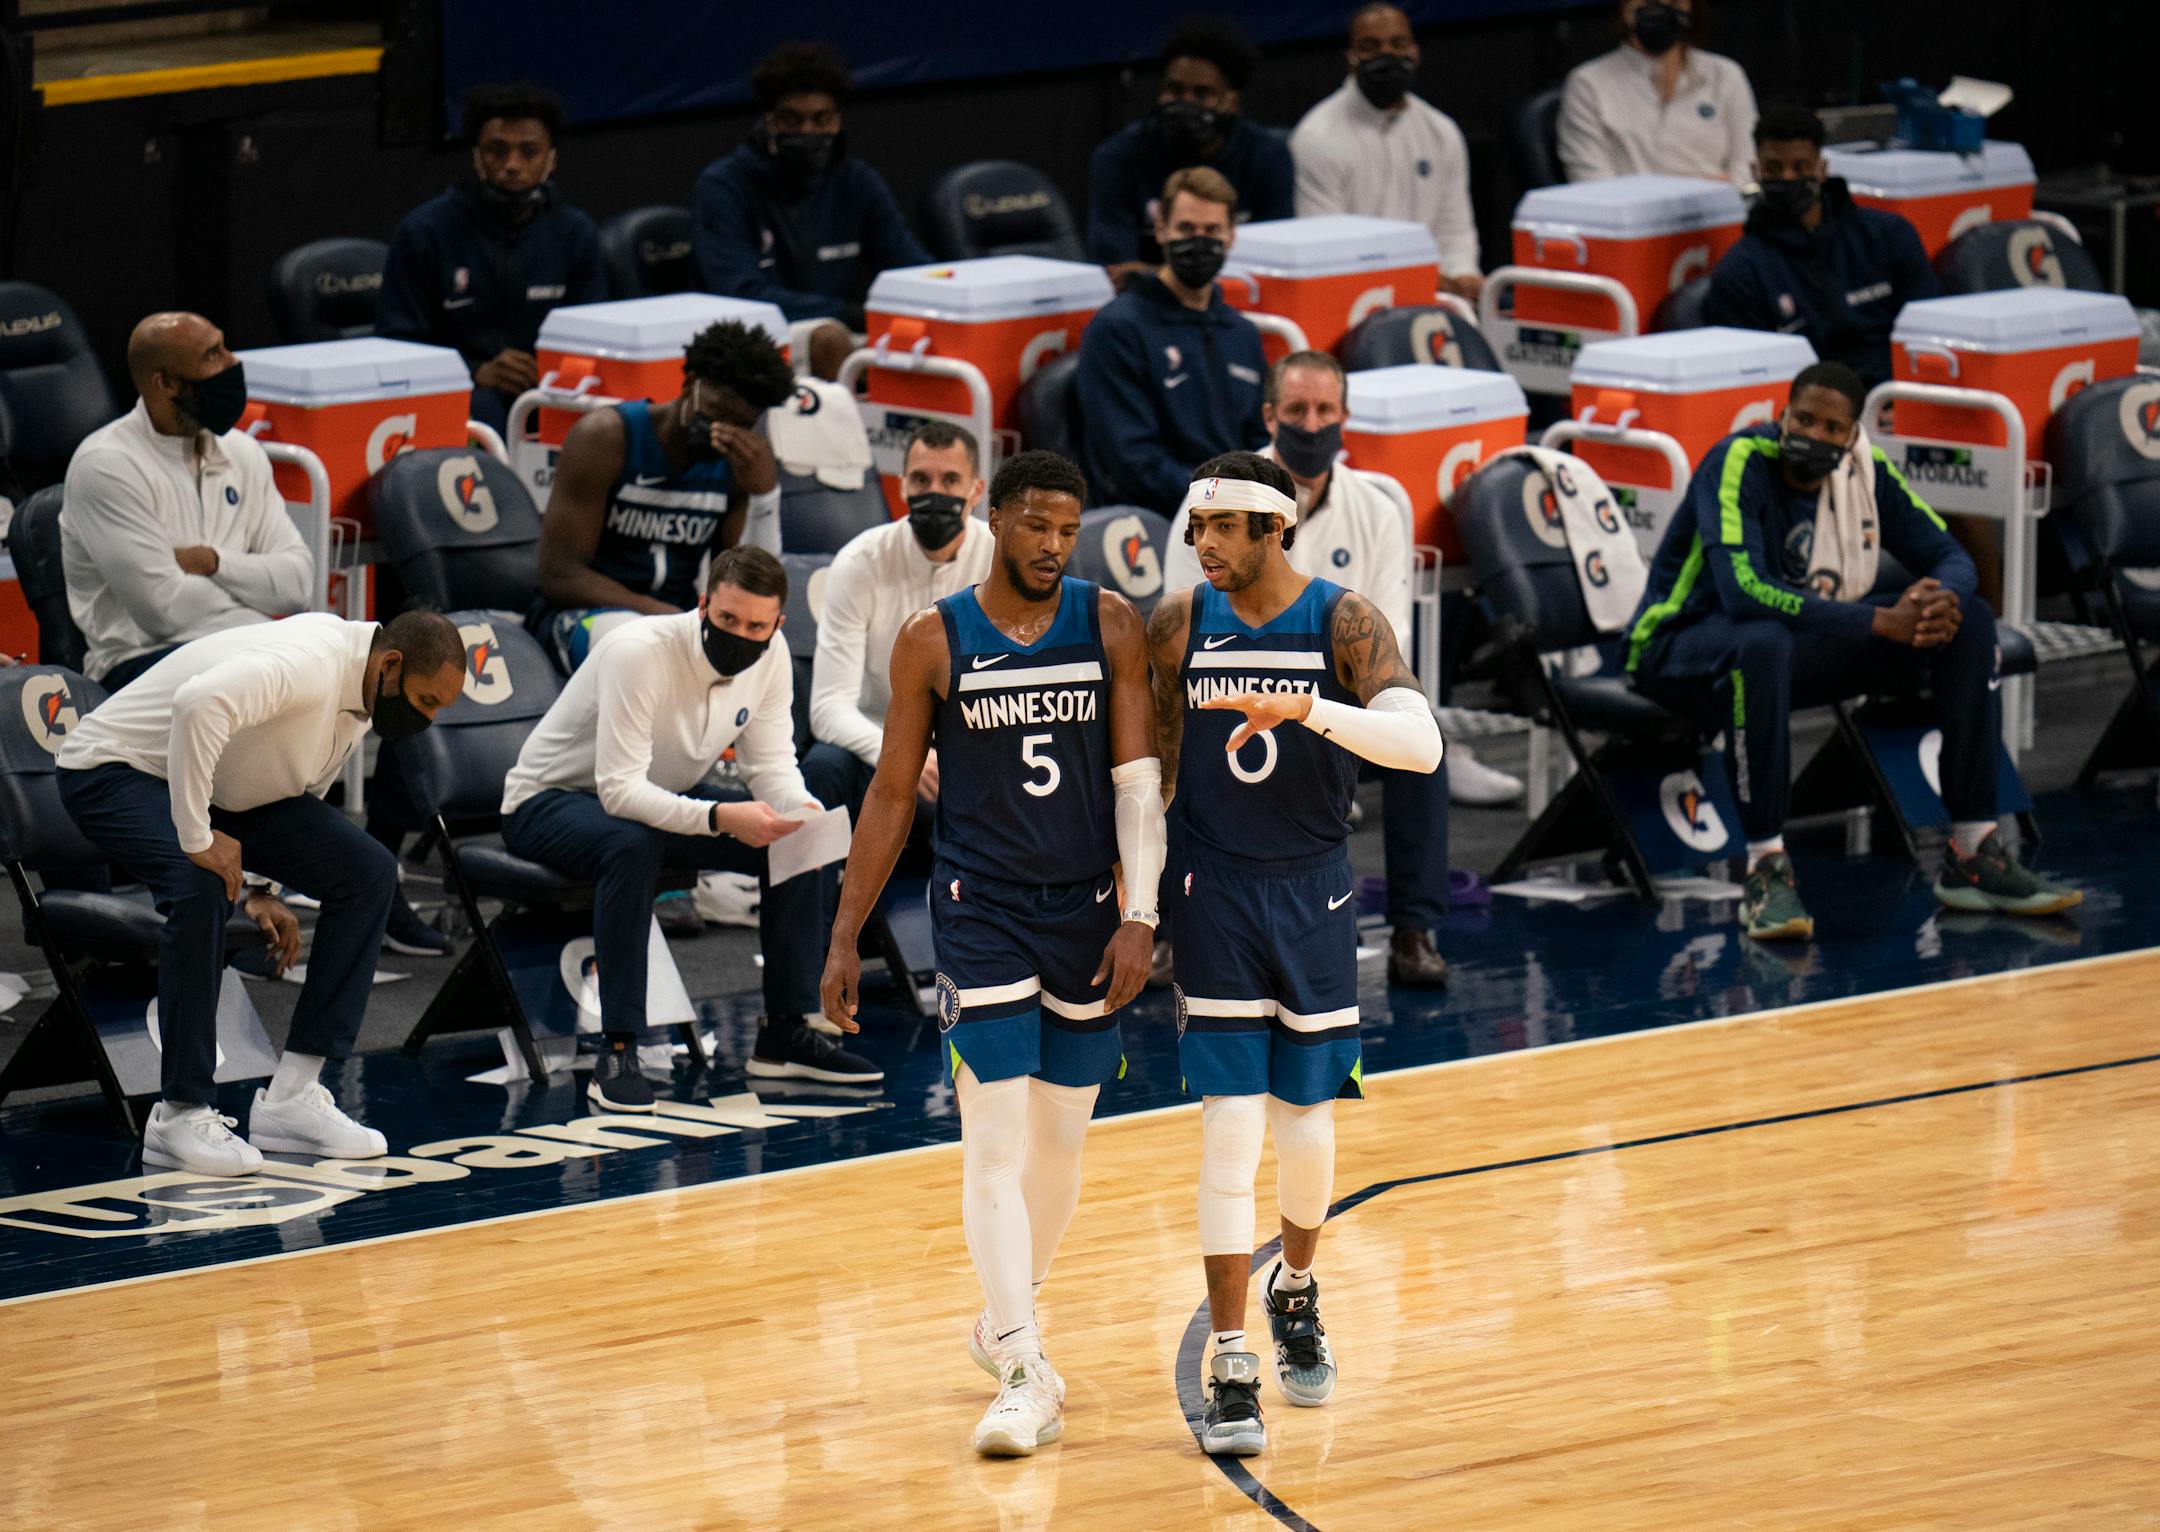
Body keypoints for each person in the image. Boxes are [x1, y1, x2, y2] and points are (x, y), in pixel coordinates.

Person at [820, 450, 1162, 1458]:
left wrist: (1142, 912)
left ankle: (1007, 1314)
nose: (1053, 545)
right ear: (994, 519)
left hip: (1088, 908)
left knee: (1062, 1139)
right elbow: (891, 793)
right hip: (980, 911)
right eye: (1036, 525)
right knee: (994, 1140)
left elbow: (1138, 783)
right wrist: (843, 932)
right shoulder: (933, 638)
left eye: (1069, 529)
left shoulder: (1110, 623)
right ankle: (1022, 1364)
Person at [1147, 451, 1441, 1456]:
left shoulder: (1342, 620)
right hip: (1214, 892)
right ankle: (1232, 1362)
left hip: (1314, 890)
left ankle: (1297, 1287)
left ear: (1275, 527)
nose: (1202, 543)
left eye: (1222, 526)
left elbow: (1421, 747)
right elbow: (1152, 774)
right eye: (1196, 526)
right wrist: (1139, 903)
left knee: (1307, 1126)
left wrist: (1307, 707)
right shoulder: (1179, 624)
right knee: (1230, 1128)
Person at [1623, 361, 2081, 941]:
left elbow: (1950, 555)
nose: (1814, 435)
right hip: (1677, 646)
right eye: (1803, 420)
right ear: (1783, 416)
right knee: (1762, 642)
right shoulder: (1738, 461)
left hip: (1787, 646)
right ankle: (1765, 869)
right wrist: (1879, 622)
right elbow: (1744, 592)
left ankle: (1973, 853)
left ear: (1851, 436)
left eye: (1831, 428)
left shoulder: (1865, 471)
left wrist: (1940, 598)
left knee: (1969, 622)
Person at [54, 610, 467, 1175]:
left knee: (367, 872)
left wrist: (263, 888)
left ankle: (291, 1098)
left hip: (214, 782)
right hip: (113, 768)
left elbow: (290, 785)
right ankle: (179, 1114)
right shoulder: (311, 663)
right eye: (425, 701)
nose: (426, 719)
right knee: (198, 881)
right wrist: (199, 838)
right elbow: (197, 704)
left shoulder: (363, 690)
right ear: (391, 664)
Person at [504, 545, 879, 1111]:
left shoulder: (772, 655)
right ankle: (618, 1050)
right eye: (727, 619)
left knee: (797, 837)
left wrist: (799, 810)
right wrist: (720, 818)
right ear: (703, 606)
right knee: (630, 844)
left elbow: (770, 765)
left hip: (656, 797)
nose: (740, 635)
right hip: (547, 801)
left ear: (777, 625)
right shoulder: (637, 652)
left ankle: (786, 1031)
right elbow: (618, 791)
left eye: (756, 626)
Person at [1162, 351, 1451, 984]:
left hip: (1335, 700)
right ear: (1270, 415)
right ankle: (1163, 923)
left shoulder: (1377, 509)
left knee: (1424, 751)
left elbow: (1390, 635)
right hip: (1229, 697)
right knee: (1169, 741)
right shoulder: (1214, 500)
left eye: (1325, 410)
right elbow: (1183, 630)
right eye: (1297, 409)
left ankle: (1414, 928)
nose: (1313, 424)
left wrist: (1312, 706)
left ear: (1344, 415)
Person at [60, 312, 314, 694]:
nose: (233, 362)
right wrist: (255, 597)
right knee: (282, 674)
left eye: (224, 347)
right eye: (212, 355)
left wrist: (213, 562)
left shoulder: (243, 452)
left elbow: (298, 585)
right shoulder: (106, 466)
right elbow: (166, 612)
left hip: (245, 646)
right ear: (165, 383)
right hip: (140, 667)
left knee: (337, 654)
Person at [528, 319, 795, 673]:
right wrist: (660, 614)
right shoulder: (606, 438)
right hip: (580, 617)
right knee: (639, 649)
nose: (723, 431)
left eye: (740, 424)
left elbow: (754, 589)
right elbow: (559, 575)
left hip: (677, 621)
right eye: (717, 413)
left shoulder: (738, 465)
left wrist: (763, 496)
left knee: (762, 649)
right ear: (689, 383)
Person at [691, 43, 930, 383]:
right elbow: (740, 293)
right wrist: (848, 314)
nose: (808, 131)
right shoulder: (724, 186)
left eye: (822, 119)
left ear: (837, 121)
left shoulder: (856, 181)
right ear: (769, 121)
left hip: (840, 332)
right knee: (829, 340)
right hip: (754, 344)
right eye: (792, 119)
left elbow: (911, 268)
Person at [376, 83, 606, 432]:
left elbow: (594, 336)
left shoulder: (574, 231)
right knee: (484, 409)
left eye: (529, 152)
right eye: (497, 151)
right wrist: (474, 371)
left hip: (550, 391)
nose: (512, 165)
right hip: (463, 398)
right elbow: (398, 345)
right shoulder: (424, 232)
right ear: (476, 157)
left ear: (551, 159)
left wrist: (552, 372)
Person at [802, 421, 995, 825]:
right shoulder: (860, 562)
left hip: (971, 742)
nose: (934, 492)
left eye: (950, 480)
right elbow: (828, 707)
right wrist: (898, 755)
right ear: (903, 486)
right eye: (921, 480)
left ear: (977, 490)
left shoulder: (1002, 561)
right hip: (875, 737)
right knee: (823, 768)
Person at [1703, 105, 1940, 389]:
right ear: (1756, 171)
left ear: (1822, 169)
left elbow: (1928, 331)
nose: (1788, 178)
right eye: (1774, 168)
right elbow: (1752, 380)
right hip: (1814, 406)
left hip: (1901, 392)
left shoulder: (1889, 235)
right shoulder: (1740, 272)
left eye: (1800, 167)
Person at [1076, 167, 1268, 516]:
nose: (1199, 242)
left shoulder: (1242, 334)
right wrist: (1224, 501)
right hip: (1161, 520)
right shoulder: (1117, 330)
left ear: (1231, 235)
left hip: (1236, 515)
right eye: (1186, 229)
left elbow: (1262, 440)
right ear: (1161, 229)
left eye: (1212, 231)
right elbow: (1134, 465)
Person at [1289, 4, 1481, 301]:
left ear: (1415, 53)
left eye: (1398, 44)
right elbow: (1327, 249)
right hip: (1355, 294)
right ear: (1351, 58)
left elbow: (1454, 230)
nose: (1387, 55)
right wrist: (1417, 280)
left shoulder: (1441, 131)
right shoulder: (1317, 137)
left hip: (1438, 290)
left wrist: (1463, 275)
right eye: (1370, 47)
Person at [1086, 16, 1295, 287]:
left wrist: (1152, 272)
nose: (1185, 104)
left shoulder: (1267, 157)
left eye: (1202, 94)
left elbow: (1276, 270)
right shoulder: (1118, 158)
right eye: (1174, 90)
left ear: (1231, 101)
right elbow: (1116, 275)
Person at [1557, 0, 1757, 185]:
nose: (1660, 12)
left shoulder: (1724, 74)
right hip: (1634, 210)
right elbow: (1593, 183)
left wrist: (1725, 192)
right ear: (1625, 9)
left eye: (1673, 3)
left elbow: (1746, 170)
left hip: (1719, 208)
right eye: (1649, 3)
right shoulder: (1588, 83)